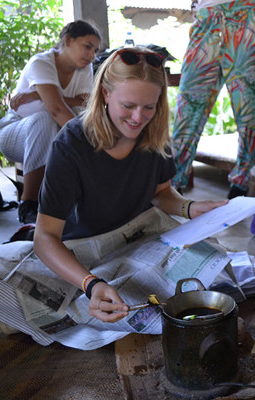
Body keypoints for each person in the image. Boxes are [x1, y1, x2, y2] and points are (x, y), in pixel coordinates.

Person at [33, 46, 227, 323]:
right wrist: (91, 283)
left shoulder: (155, 137)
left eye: (149, 107)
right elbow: (44, 238)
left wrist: (190, 207)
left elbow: (161, 194)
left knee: (205, 285)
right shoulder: (72, 144)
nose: (138, 118)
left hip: (140, 241)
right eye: (128, 106)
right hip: (85, 251)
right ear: (105, 94)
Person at [171, 0, 255, 199]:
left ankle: (240, 183)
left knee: (249, 108)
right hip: (206, 20)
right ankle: (173, 182)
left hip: (247, 17)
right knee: (188, 105)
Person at [0, 20, 102, 225]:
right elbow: (56, 109)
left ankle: (66, 202)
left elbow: (86, 105)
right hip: (13, 132)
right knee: (48, 120)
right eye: (87, 46)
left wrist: (39, 95)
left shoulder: (84, 69)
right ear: (68, 40)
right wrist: (91, 144)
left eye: (95, 50)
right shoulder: (41, 62)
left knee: (76, 122)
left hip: (53, 133)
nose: (92, 55)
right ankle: (29, 204)